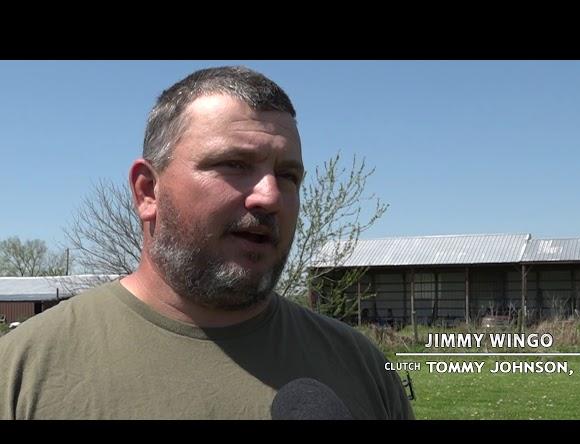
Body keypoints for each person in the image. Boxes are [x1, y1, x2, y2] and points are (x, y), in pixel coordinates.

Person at [0, 66, 414, 420]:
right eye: (234, 164)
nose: (269, 196)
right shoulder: (22, 371)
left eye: (288, 175)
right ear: (148, 192)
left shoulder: (362, 367)